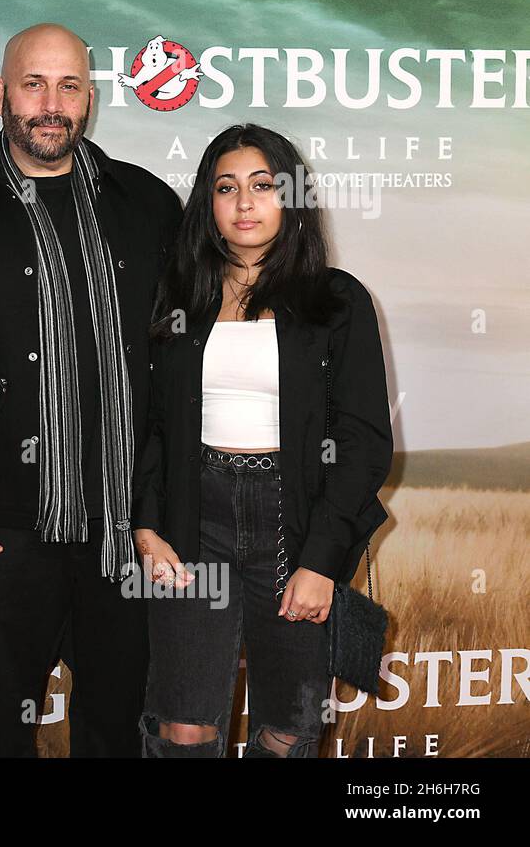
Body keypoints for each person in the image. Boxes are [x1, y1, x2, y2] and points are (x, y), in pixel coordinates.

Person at [0, 23, 180, 756]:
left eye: (69, 86)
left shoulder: (146, 207)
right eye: (34, 84)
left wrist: (156, 507)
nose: (51, 104)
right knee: (1, 726)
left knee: (116, 726)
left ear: (90, 100)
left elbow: (177, 365)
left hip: (121, 533)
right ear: (1, 95)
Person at [132, 123, 393, 758]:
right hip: (195, 522)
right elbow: (149, 426)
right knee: (183, 725)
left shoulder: (337, 299)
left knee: (288, 729)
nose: (245, 203)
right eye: (227, 188)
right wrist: (144, 524)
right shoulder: (178, 297)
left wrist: (322, 560)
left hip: (295, 524)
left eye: (263, 185)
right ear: (207, 202)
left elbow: (363, 441)